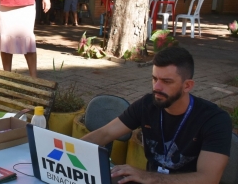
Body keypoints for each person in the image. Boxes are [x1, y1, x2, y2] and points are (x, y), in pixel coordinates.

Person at [82, 47, 232, 184]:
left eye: (166, 81)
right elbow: (105, 133)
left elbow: (208, 178)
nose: (157, 87)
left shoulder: (214, 119)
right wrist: (64, 151)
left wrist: (147, 176)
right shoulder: (147, 105)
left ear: (187, 85)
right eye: (154, 79)